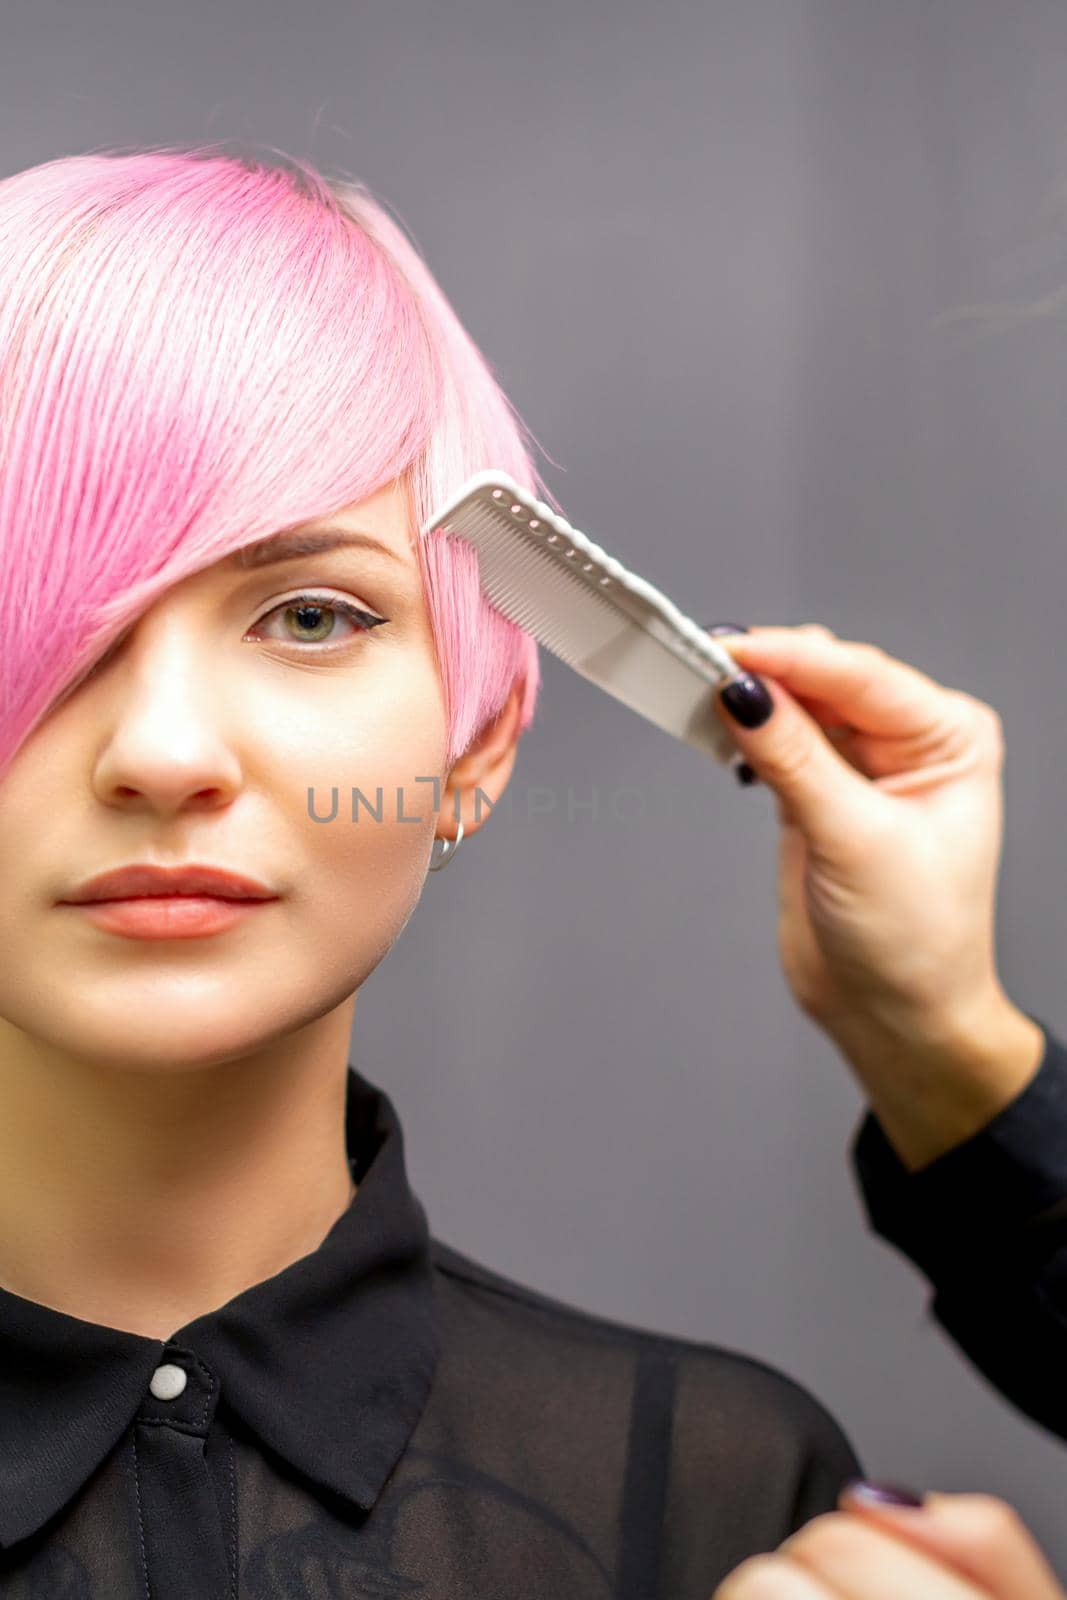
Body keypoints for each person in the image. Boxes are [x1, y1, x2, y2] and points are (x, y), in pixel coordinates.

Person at [0, 139, 864, 1600]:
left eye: (314, 617)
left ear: (480, 742)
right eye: (36, 608)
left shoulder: (722, 1497)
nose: (157, 753)